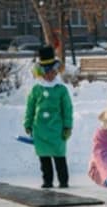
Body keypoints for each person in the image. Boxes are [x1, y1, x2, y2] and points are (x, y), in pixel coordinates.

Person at [24, 45, 73, 189]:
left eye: (52, 72)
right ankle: (47, 180)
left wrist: (67, 126)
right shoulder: (36, 89)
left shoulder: (61, 89)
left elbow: (67, 109)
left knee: (59, 155)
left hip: (57, 129)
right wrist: (28, 123)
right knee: (44, 157)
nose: (49, 75)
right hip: (40, 128)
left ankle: (63, 181)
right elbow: (30, 107)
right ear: (40, 72)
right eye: (46, 72)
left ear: (56, 71)